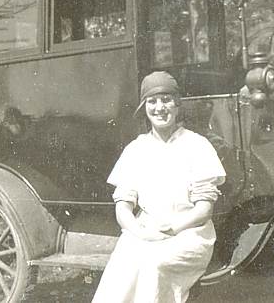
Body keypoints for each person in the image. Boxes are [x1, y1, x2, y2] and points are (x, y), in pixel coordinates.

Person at [92, 71, 226, 303]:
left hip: (188, 234)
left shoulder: (197, 145)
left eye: (166, 100)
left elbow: (204, 210)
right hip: (143, 233)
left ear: (177, 105)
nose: (160, 108)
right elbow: (123, 208)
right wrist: (139, 231)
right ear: (144, 107)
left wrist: (171, 229)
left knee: (153, 265)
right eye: (152, 101)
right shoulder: (136, 149)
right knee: (121, 266)